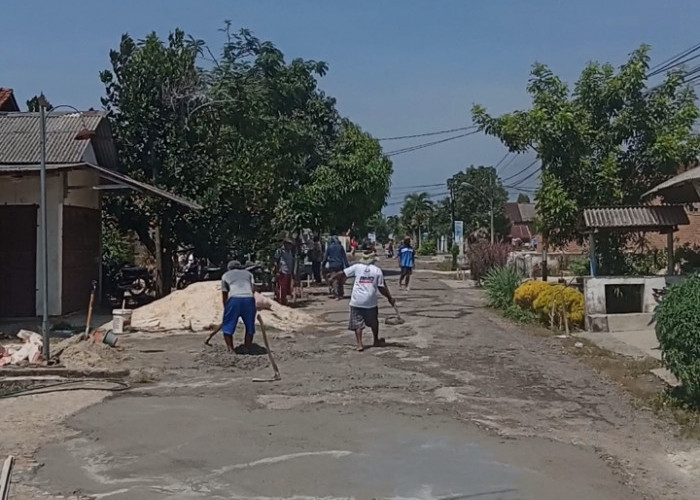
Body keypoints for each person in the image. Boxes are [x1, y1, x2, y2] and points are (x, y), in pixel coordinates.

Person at [330, 251, 395, 352]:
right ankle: (376, 340)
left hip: (357, 300)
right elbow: (382, 287)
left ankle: (359, 344)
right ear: (373, 260)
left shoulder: (357, 267)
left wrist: (332, 278)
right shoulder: (377, 270)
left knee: (357, 323)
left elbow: (342, 273)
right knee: (374, 322)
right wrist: (389, 298)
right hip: (370, 301)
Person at [220, 260, 256, 354]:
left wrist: (226, 308)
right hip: (249, 299)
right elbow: (253, 289)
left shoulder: (225, 275)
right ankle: (247, 347)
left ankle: (230, 349)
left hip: (234, 299)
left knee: (227, 325)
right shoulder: (248, 274)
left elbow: (225, 293)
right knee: (250, 325)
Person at [274, 238, 294, 305]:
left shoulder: (290, 251)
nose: (290, 246)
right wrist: (277, 271)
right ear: (285, 244)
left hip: (288, 271)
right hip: (282, 271)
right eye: (289, 244)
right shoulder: (280, 251)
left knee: (287, 288)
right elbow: (275, 261)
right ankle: (281, 302)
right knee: (282, 288)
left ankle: (284, 300)